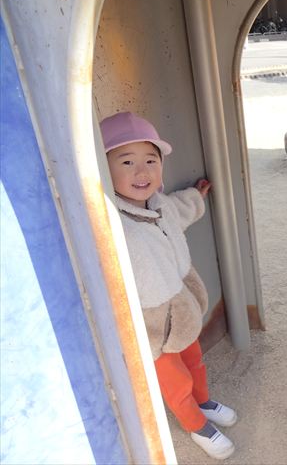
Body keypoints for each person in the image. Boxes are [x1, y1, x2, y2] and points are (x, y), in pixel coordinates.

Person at [100, 111, 238, 460]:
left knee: (194, 360)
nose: (142, 172)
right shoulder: (110, 220)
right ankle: (195, 424)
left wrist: (196, 196)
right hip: (151, 320)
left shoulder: (160, 204)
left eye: (151, 160)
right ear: (103, 168)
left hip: (181, 303)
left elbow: (179, 209)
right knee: (173, 378)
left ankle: (203, 402)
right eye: (127, 162)